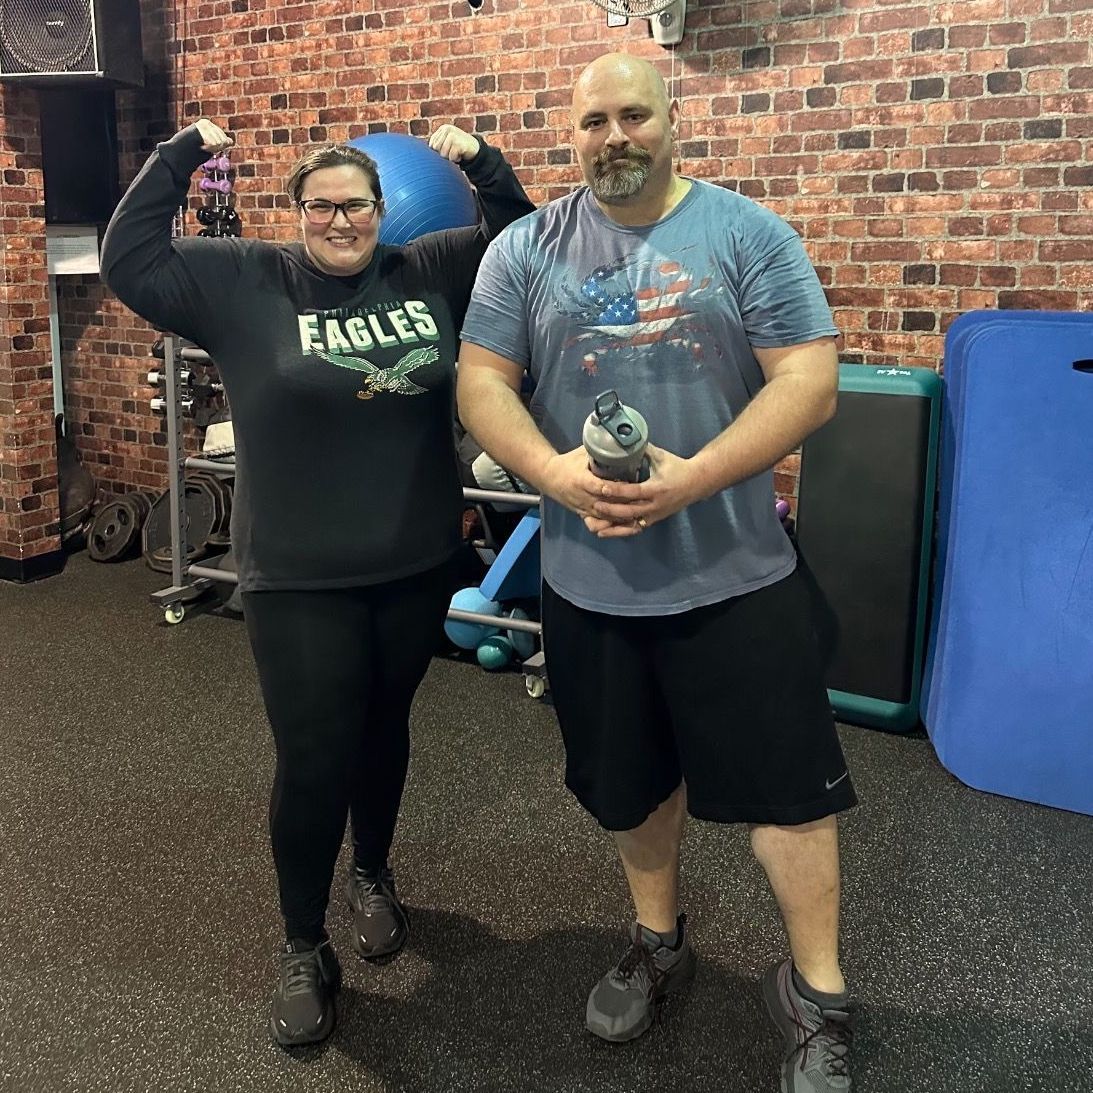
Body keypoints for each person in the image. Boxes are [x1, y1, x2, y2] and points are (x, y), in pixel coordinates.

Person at [457, 53, 856, 1093]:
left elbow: (809, 382)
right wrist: (551, 474)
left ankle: (818, 997)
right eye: (593, 120)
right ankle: (655, 938)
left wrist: (695, 480)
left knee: (789, 801)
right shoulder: (524, 248)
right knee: (632, 791)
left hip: (738, 575)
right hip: (592, 590)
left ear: (672, 121)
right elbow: (482, 385)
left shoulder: (745, 235)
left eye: (634, 114)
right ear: (572, 132)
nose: (613, 135)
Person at [101, 118, 533, 1047]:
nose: (341, 220)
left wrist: (485, 164)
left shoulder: (425, 270)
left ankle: (371, 873)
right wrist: (183, 152)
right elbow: (128, 258)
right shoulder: (245, 280)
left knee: (385, 731)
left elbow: (517, 241)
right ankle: (302, 943)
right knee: (313, 755)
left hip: (413, 563)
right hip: (297, 576)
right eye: (322, 205)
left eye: (357, 204)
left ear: (383, 210)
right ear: (297, 211)